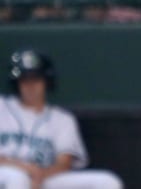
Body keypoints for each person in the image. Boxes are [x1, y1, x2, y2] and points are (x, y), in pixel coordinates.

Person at [0, 49, 123, 189]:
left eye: (36, 79)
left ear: (46, 82)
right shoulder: (2, 106)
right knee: (17, 178)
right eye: (25, 80)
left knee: (107, 182)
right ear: (17, 83)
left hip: (43, 177)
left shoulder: (62, 119)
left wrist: (40, 176)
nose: (30, 86)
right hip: (5, 173)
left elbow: (64, 163)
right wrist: (24, 167)